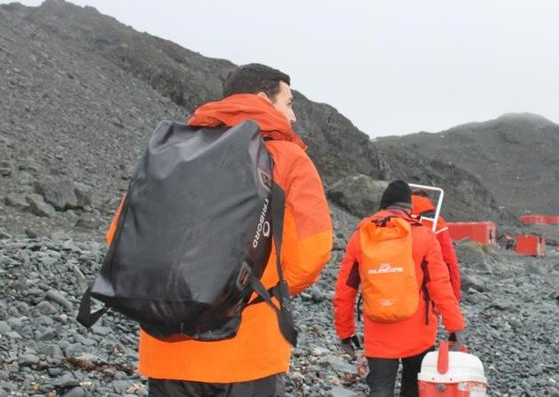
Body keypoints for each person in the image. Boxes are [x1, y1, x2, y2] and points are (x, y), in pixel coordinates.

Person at [106, 63, 333, 396]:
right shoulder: (287, 157)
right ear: (262, 99)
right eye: (289, 103)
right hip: (246, 350)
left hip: (167, 350)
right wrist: (245, 295)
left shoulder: (173, 152)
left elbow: (119, 238)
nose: (293, 116)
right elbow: (311, 254)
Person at [333, 180, 466, 397]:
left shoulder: (360, 236)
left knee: (381, 389)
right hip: (418, 332)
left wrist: (345, 332)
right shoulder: (423, 235)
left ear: (383, 206)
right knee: (413, 389)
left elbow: (345, 290)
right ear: (409, 208)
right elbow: (440, 286)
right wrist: (455, 326)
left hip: (379, 332)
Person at [411, 191, 461, 300]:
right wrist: (454, 296)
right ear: (428, 201)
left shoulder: (389, 218)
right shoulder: (435, 222)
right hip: (423, 287)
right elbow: (449, 261)